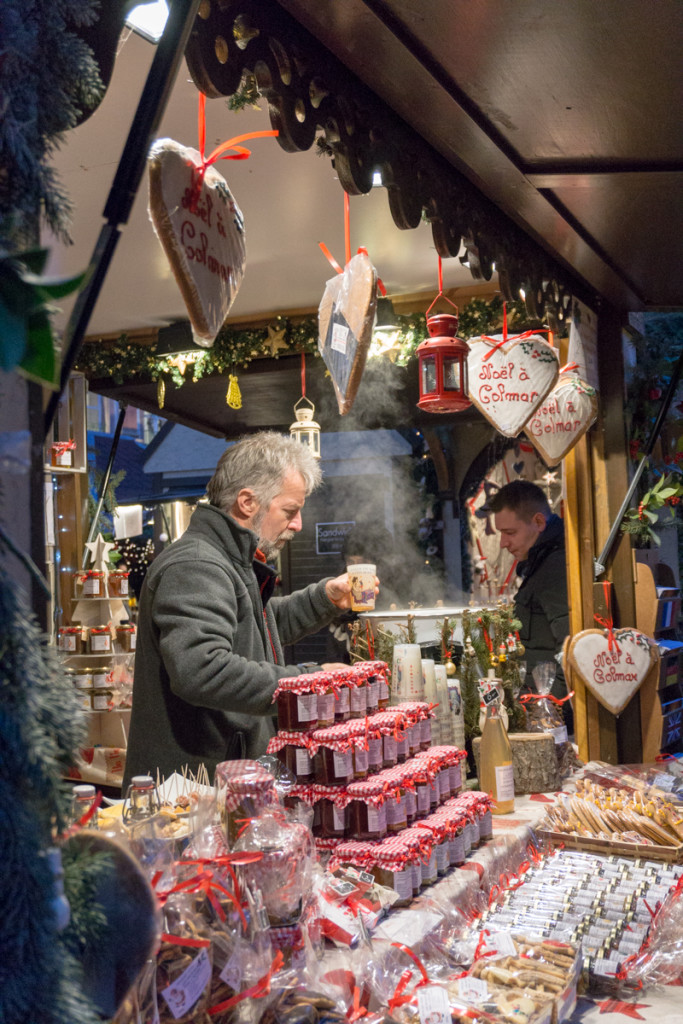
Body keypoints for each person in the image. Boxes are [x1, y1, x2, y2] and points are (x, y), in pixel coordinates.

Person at [124, 432, 373, 785]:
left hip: (227, 779)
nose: (298, 524)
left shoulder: (230, 559)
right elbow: (202, 669)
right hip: (192, 794)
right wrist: (306, 682)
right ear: (247, 502)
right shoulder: (196, 565)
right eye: (290, 510)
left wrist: (325, 599)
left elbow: (255, 630)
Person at [487, 480, 571, 725]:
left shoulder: (555, 566)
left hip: (550, 717)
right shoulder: (541, 561)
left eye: (510, 533)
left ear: (538, 522)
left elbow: (571, 652)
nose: (503, 543)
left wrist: (546, 717)